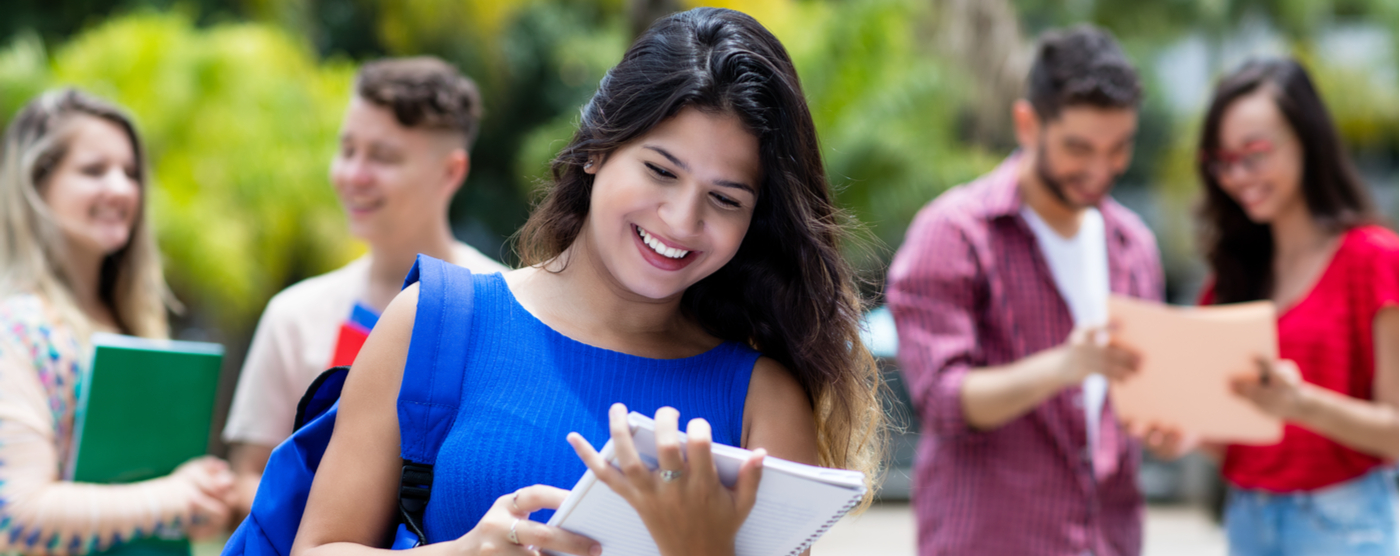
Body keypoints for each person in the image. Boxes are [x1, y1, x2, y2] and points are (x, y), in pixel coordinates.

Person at [291, 7, 884, 556]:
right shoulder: (434, 324)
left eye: (725, 199)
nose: (681, 220)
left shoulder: (765, 400)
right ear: (597, 147)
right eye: (659, 170)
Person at [887, 25, 1162, 556]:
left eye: (1119, 148)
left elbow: (1133, 404)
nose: (1100, 169)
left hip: (1109, 539)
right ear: (1027, 124)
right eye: (1079, 147)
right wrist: (1066, 365)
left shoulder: (1134, 244)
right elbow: (943, 401)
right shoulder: (955, 232)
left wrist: (1167, 427)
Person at [222, 56, 508, 514]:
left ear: (451, 172)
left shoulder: (506, 305)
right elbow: (249, 473)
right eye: (348, 149)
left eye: (383, 157)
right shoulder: (294, 314)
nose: (354, 175)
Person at [1141, 57, 1397, 556]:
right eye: (1223, 161)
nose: (1238, 176)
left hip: (1342, 525)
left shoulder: (1374, 259)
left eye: (1255, 154)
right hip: (1247, 519)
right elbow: (1232, 435)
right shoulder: (1229, 281)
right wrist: (1182, 436)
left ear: (1307, 141)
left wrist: (1303, 406)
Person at [0, 89, 234, 553]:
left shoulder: (134, 322)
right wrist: (172, 497)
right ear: (36, 182)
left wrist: (199, 500)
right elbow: (15, 517)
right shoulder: (16, 328)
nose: (123, 189)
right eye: (93, 170)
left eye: (131, 173)